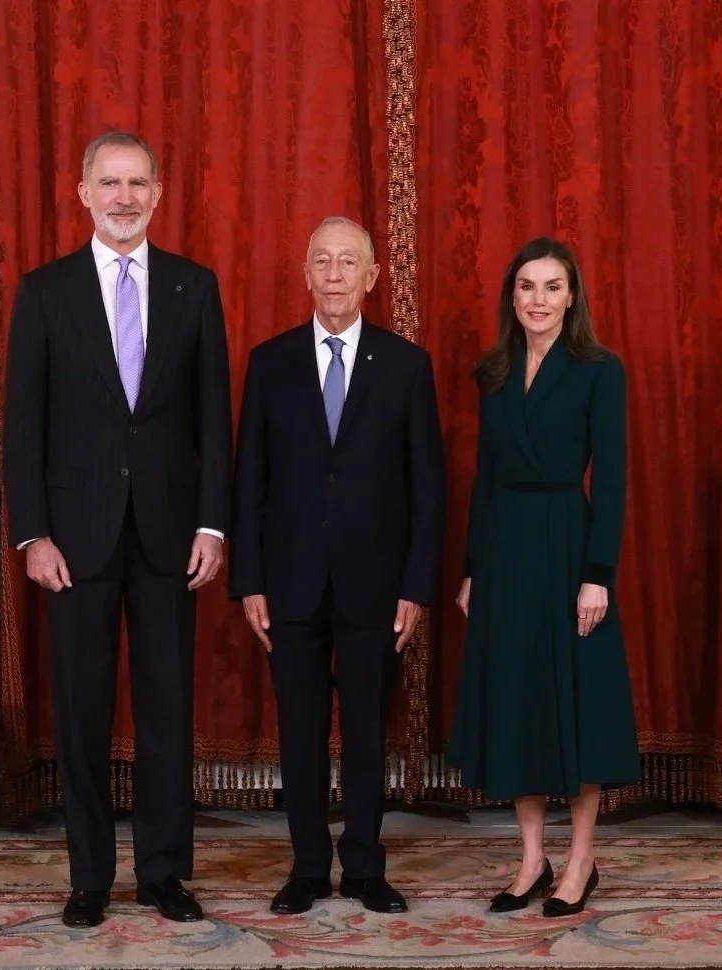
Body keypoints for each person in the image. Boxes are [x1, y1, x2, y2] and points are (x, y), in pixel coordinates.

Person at [3, 131, 233, 928]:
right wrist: (33, 534)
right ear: (83, 193)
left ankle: (165, 874)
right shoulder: (44, 292)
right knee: (82, 714)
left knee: (167, 711)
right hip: (74, 540)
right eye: (110, 183)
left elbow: (213, 419)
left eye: (138, 183)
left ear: (158, 193)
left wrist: (212, 524)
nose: (124, 197)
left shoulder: (195, 288)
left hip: (171, 534)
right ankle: (90, 878)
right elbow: (22, 426)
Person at [230, 217, 446, 916]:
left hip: (375, 586)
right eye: (321, 261)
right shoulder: (270, 363)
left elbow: (428, 489)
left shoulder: (406, 366)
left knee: (364, 733)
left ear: (372, 277)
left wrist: (416, 586)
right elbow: (249, 481)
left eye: (348, 262)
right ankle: (306, 868)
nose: (333, 274)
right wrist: (249, 580)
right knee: (299, 733)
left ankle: (363, 867)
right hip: (288, 584)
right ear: (305, 273)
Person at [447, 237, 640, 918]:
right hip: (505, 553)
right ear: (512, 295)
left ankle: (581, 860)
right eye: (527, 286)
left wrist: (598, 575)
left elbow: (610, 481)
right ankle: (533, 859)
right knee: (516, 701)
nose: (538, 299)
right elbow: (485, 479)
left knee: (579, 704)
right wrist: (472, 570)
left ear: (572, 296)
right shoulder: (494, 370)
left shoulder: (599, 371)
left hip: (568, 547)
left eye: (552, 287)